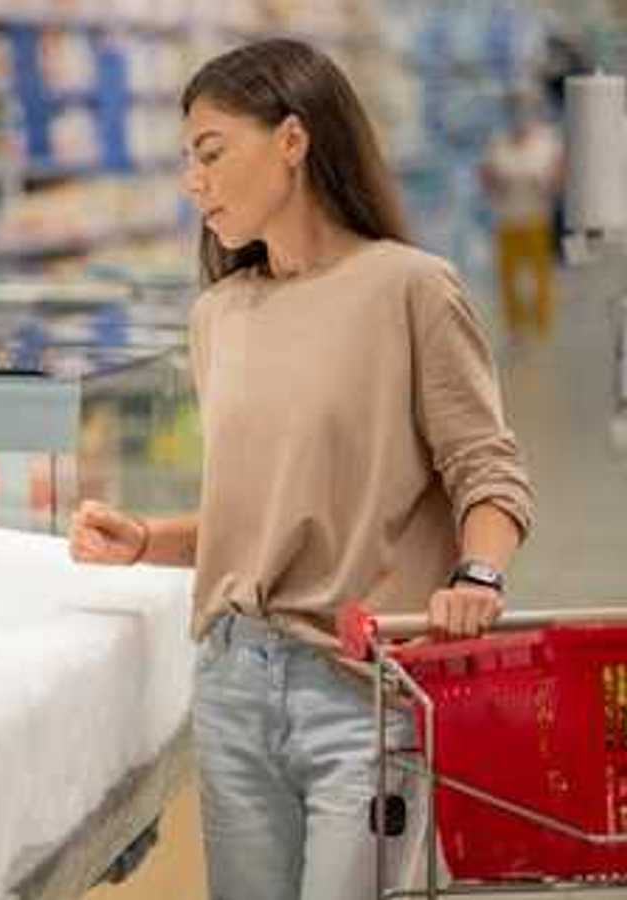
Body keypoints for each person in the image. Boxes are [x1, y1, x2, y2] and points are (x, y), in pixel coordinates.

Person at [68, 40, 534, 900]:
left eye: (211, 153)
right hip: (233, 682)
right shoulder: (220, 315)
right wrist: (147, 540)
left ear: (292, 139)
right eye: (186, 162)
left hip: (359, 687)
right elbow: (274, 516)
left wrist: (478, 572)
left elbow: (487, 471)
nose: (193, 182)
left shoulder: (412, 289)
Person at [480, 87, 564, 346]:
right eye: (514, 108)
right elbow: (485, 176)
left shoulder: (548, 142)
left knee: (540, 276)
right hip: (507, 219)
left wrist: (546, 182)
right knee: (509, 278)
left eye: (524, 108)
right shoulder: (498, 144)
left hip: (537, 218)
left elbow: (560, 177)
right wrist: (497, 183)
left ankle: (542, 328)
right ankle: (515, 329)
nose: (519, 115)